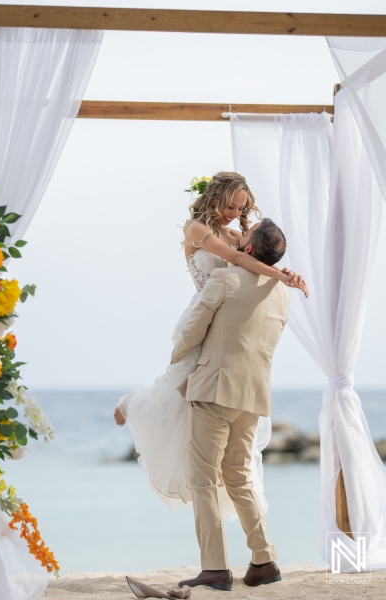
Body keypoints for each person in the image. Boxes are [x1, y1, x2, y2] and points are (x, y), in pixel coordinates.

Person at [114, 172, 307, 517]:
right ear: (215, 198)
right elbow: (235, 260)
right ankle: (133, 403)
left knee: (193, 413)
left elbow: (254, 257)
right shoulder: (196, 230)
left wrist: (284, 272)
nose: (235, 214)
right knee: (175, 395)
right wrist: (279, 276)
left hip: (225, 326)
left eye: (241, 208)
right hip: (201, 316)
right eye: (231, 206)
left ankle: (211, 482)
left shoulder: (236, 235)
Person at [175, 219, 289, 590]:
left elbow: (193, 330)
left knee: (204, 479)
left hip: (213, 389)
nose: (241, 232)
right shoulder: (280, 291)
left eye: (247, 230)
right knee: (239, 476)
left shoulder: (225, 280)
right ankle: (264, 559)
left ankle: (215, 569)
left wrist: (174, 362)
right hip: (253, 395)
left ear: (251, 250)